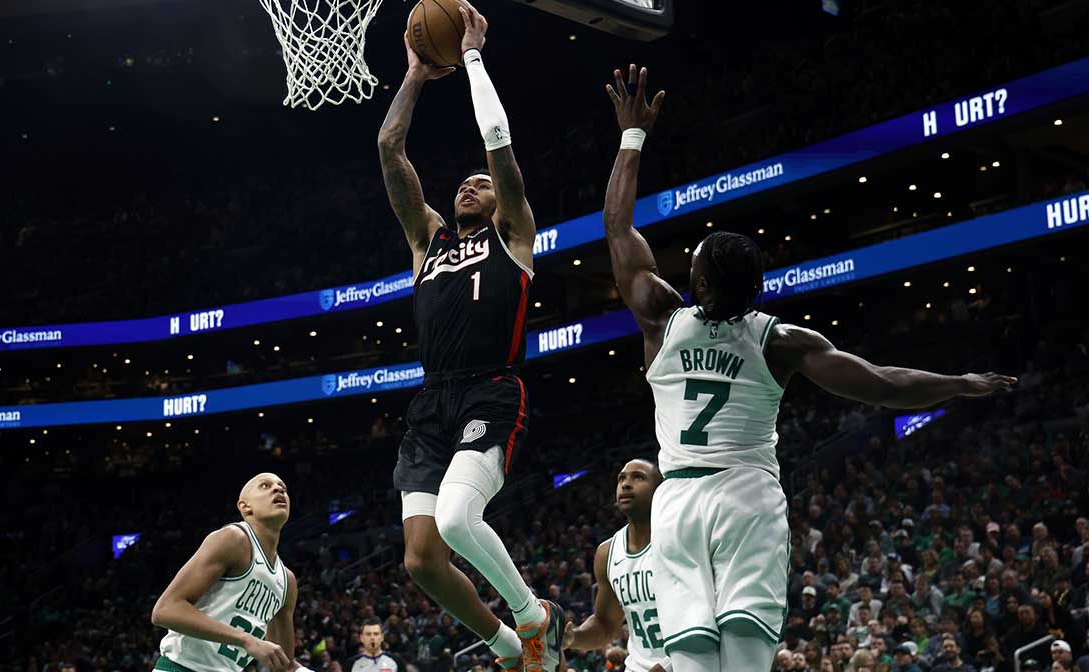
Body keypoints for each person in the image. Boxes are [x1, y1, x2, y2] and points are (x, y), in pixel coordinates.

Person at [597, 63, 1016, 671]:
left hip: (679, 503)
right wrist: (961, 384)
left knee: (691, 657)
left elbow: (617, 227)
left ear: (703, 280)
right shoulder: (780, 340)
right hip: (745, 495)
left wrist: (631, 136)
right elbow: (883, 383)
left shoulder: (661, 318)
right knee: (745, 653)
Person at [376, 4, 558, 672]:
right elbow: (389, 150)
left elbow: (498, 143)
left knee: (456, 522)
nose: (469, 183)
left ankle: (533, 615)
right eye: (463, 182)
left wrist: (474, 57)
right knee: (422, 558)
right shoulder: (426, 241)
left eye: (480, 182)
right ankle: (510, 648)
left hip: (490, 390)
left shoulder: (513, 235)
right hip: (432, 403)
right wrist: (416, 75)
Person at [150, 473, 303, 672]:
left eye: (283, 487)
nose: (278, 489)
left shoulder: (287, 581)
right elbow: (165, 610)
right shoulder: (234, 539)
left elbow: (283, 664)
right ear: (245, 506)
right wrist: (246, 640)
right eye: (265, 486)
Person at [564, 459, 670, 672]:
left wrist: (669, 665)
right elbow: (605, 625)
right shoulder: (607, 553)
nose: (626, 484)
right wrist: (573, 638)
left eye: (638, 477)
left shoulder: (679, 539)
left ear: (661, 491)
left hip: (690, 663)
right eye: (621, 478)